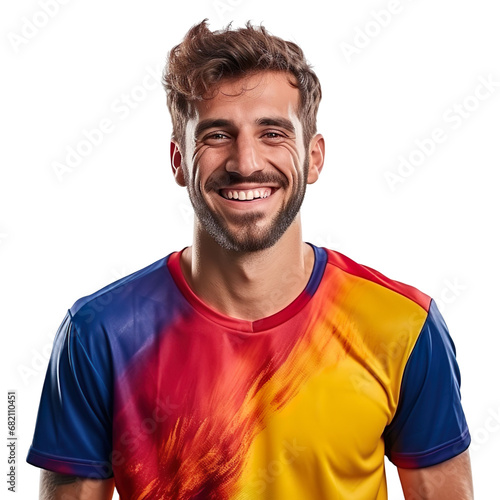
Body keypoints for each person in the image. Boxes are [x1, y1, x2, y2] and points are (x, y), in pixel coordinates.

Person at [27, 20, 473, 500]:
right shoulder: (99, 335)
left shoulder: (403, 327)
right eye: (217, 135)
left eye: (273, 133)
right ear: (178, 160)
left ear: (314, 157)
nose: (246, 162)